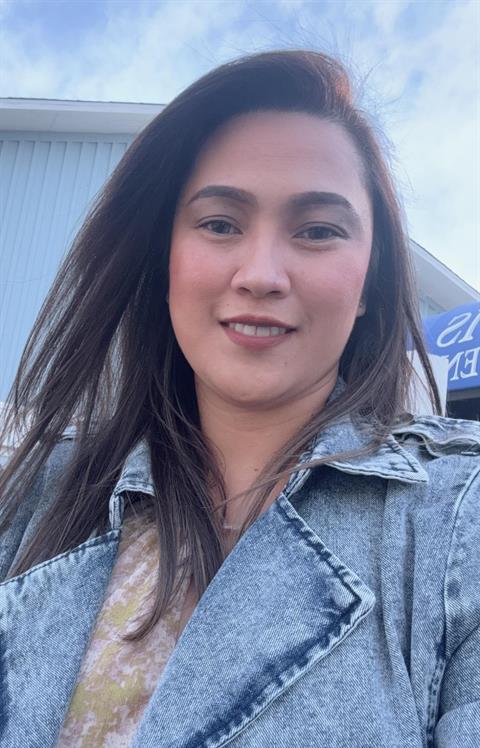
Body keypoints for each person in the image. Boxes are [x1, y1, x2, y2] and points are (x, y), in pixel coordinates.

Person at [0, 49, 478, 748]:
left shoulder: (458, 523)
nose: (260, 275)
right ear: (165, 257)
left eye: (318, 231)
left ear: (369, 281)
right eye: (220, 223)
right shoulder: (36, 493)